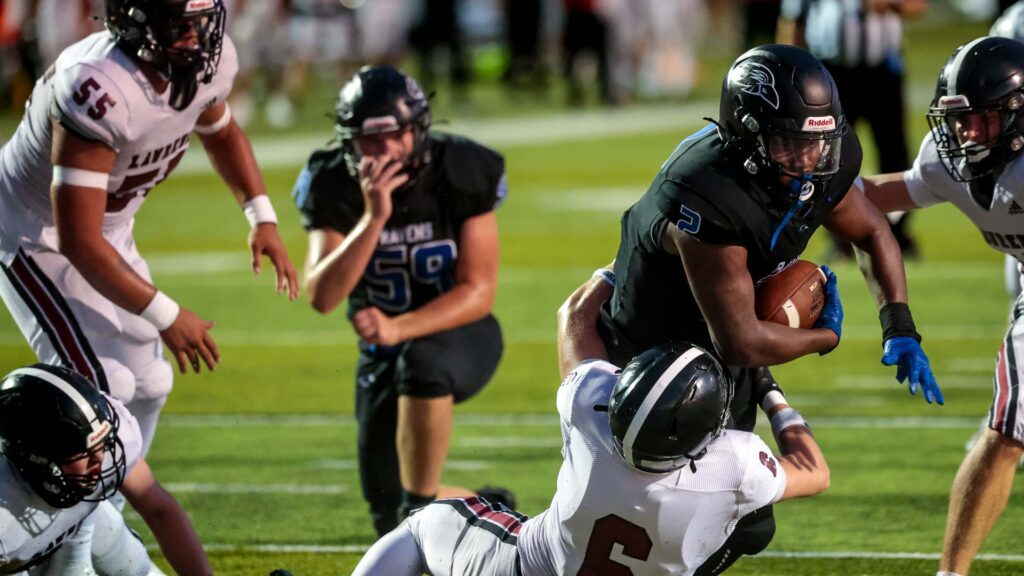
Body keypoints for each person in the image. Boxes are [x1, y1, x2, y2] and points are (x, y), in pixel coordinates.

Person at [351, 272, 830, 576]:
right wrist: (770, 392)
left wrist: (624, 265)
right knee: (753, 526)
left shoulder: (590, 411)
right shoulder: (736, 463)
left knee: (425, 525)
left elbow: (575, 313)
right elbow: (814, 470)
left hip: (529, 569)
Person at [0, 0, 298, 458]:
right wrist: (168, 315)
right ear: (136, 26)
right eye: (179, 25)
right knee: (103, 386)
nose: (196, 38)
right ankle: (39, 497)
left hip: (106, 229)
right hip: (33, 231)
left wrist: (261, 216)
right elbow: (78, 240)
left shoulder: (205, 65)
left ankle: (113, 498)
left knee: (151, 382)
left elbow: (221, 131)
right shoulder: (100, 87)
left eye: (200, 23)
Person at [597, 44, 942, 430]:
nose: (809, 158)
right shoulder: (711, 193)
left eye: (819, 142)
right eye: (791, 144)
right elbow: (739, 341)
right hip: (649, 356)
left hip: (726, 345)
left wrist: (898, 325)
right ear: (745, 133)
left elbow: (872, 230)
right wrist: (825, 337)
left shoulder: (820, 158)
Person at [292, 65, 509, 536]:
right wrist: (373, 219)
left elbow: (477, 290)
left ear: (418, 130)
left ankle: (432, 521)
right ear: (349, 143)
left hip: (460, 332)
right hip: (382, 351)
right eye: (370, 140)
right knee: (388, 510)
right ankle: (490, 509)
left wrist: (398, 327)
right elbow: (322, 296)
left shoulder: (461, 169)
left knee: (423, 363)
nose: (385, 150)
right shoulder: (332, 180)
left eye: (394, 135)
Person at [857, 36, 1024, 576]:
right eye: (958, 120)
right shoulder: (946, 161)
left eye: (980, 119)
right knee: (1007, 430)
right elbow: (883, 195)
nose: (966, 134)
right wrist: (808, 192)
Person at [0, 363, 211, 575]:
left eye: (103, 443)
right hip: (13, 549)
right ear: (36, 457)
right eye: (83, 452)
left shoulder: (106, 437)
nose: (100, 458)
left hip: (69, 517)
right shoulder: (5, 515)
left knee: (131, 563)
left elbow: (159, 511)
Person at [777, 0, 926, 260]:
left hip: (882, 71)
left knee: (893, 152)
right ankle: (839, 236)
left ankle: (897, 233)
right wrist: (792, 71)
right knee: (827, 154)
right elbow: (794, 20)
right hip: (832, 72)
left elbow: (918, 6)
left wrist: (891, 4)